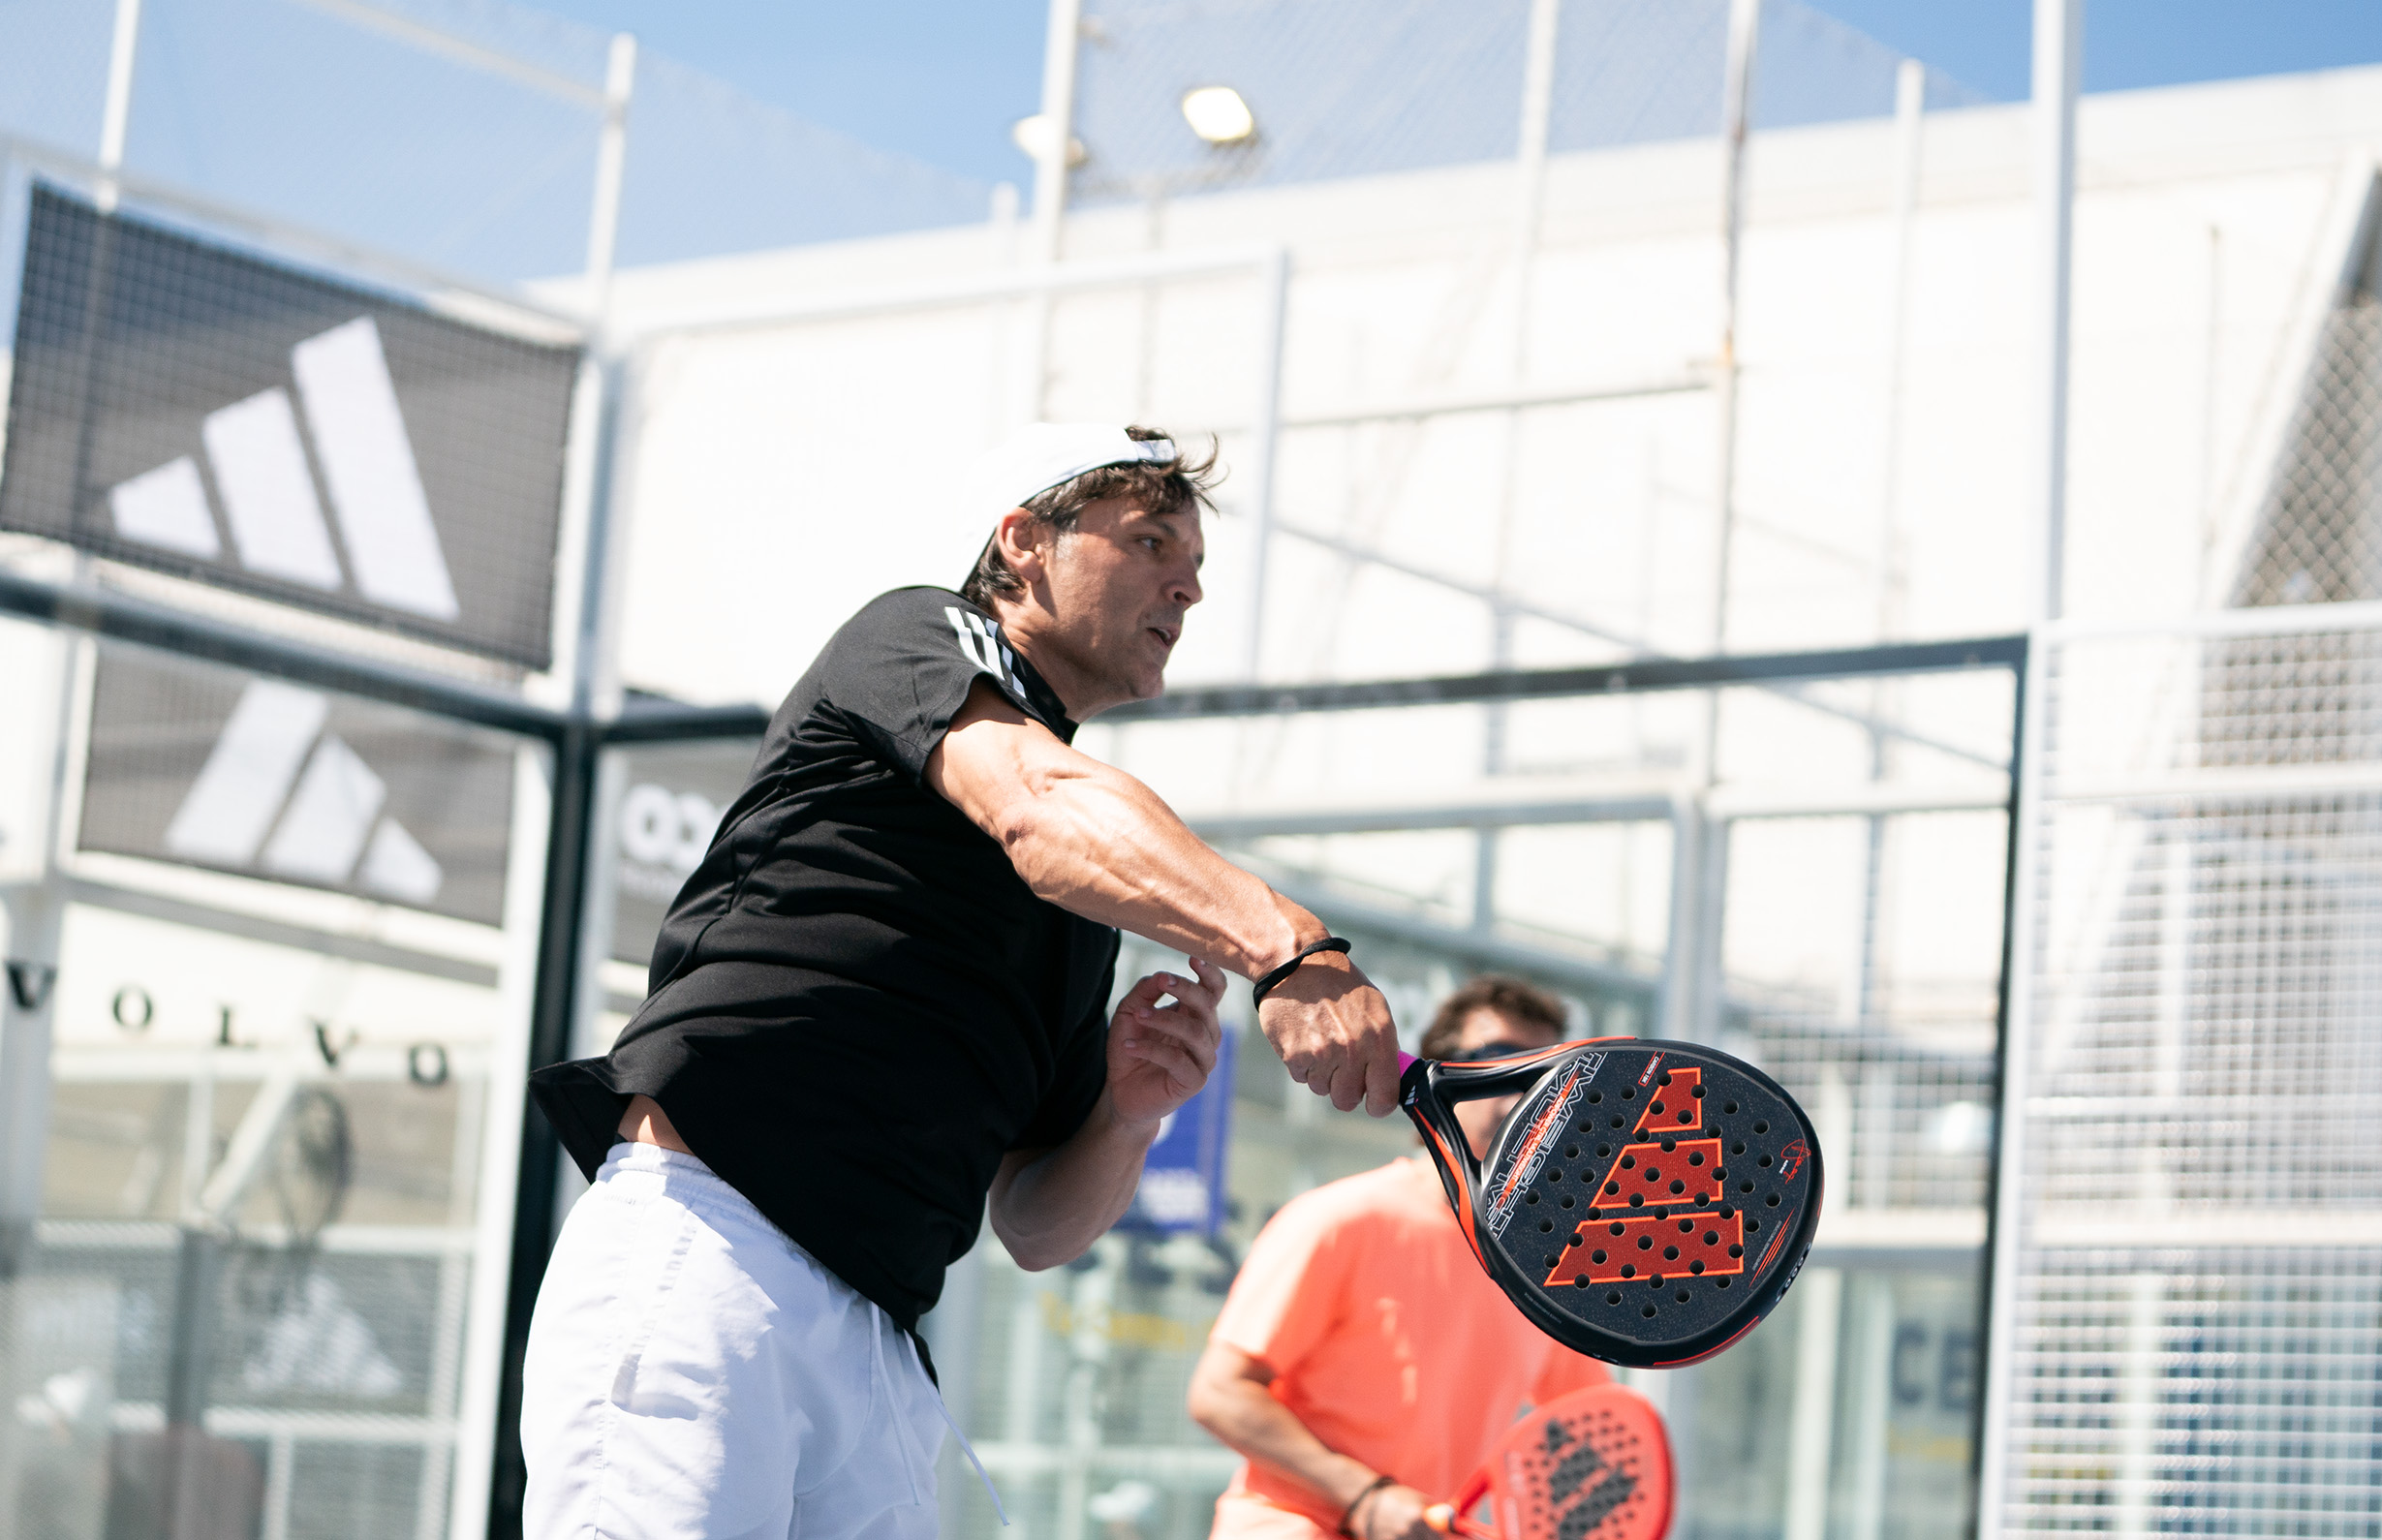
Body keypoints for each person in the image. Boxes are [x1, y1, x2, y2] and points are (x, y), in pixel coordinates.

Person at [519, 423, 1405, 1540]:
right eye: (1147, 540)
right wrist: (1285, 944)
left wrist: (1128, 1120)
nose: (1185, 584)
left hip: (879, 1337)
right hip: (709, 1251)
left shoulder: (1089, 898)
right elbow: (1036, 804)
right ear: (1022, 541)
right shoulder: (916, 635)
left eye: (1195, 565)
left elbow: (1034, 1222)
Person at [1189, 976, 1618, 1540]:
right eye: (1498, 1061)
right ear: (1440, 1083)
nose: (1522, 1089)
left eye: (1545, 1073)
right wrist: (1364, 1495)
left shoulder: (1548, 1270)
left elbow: (1595, 1433)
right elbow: (1220, 1392)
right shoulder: (1341, 1219)